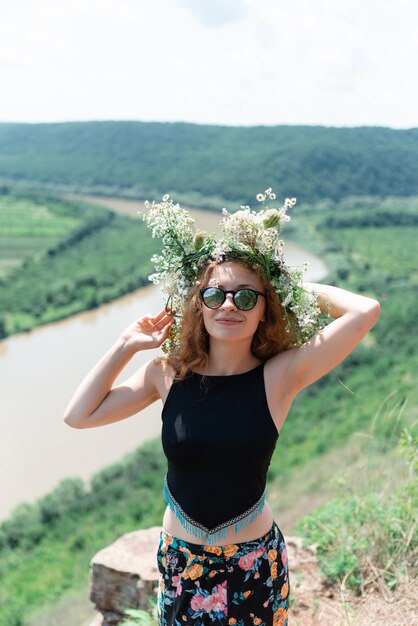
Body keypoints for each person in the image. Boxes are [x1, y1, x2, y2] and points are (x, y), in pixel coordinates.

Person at [63, 192, 380, 626]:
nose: (229, 305)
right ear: (199, 303)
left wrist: (285, 283)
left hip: (253, 564)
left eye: (247, 298)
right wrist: (125, 345)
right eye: (215, 294)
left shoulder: (280, 376)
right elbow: (78, 415)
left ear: (265, 308)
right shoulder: (166, 373)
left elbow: (366, 311)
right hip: (181, 564)